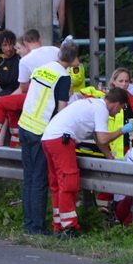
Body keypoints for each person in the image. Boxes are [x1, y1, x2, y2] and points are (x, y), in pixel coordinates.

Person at [41, 86, 130, 238]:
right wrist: (122, 130)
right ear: (116, 104)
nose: (119, 112)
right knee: (69, 183)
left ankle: (59, 225)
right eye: (121, 108)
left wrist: (109, 155)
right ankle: (70, 227)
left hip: (49, 138)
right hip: (62, 140)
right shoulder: (101, 110)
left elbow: (97, 137)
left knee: (57, 184)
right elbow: (103, 138)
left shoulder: (93, 104)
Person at [17, 38, 79, 235]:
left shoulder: (43, 68)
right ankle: (37, 227)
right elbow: (61, 109)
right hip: (40, 130)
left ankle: (28, 224)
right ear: (74, 59)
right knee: (39, 180)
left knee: (28, 179)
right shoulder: (63, 77)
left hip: (24, 124)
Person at [0, 29, 59, 147]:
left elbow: (23, 88)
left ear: (26, 45)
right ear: (39, 40)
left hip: (36, 97)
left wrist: (8, 98)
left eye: (18, 48)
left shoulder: (25, 61)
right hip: (55, 94)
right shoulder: (54, 50)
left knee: (2, 103)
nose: (17, 52)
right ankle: (15, 142)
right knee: (11, 106)